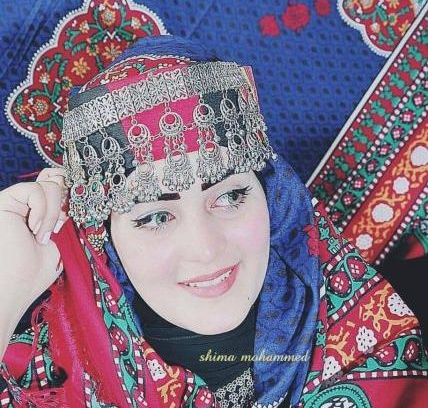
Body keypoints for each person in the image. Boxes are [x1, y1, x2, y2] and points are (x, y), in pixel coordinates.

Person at [0, 36, 427, 408]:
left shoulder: (380, 331)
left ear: (273, 196)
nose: (205, 249)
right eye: (155, 216)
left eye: (230, 196)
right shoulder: (41, 377)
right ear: (104, 239)